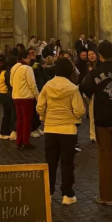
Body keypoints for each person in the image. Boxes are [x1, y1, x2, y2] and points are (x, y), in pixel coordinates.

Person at [81, 40, 112, 205]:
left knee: (105, 158)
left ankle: (107, 196)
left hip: (102, 119)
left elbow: (85, 90)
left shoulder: (94, 73)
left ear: (100, 55)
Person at [37, 58, 86, 205]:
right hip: (68, 130)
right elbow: (79, 110)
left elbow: (40, 106)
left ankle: (48, 193)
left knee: (50, 163)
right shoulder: (72, 88)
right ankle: (67, 194)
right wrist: (75, 117)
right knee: (67, 163)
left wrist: (46, 117)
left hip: (51, 129)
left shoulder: (47, 86)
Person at [10, 50, 39, 149]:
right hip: (26, 97)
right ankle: (26, 141)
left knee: (19, 120)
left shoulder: (14, 67)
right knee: (27, 120)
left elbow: (11, 83)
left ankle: (19, 141)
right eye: (28, 57)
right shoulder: (27, 68)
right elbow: (32, 84)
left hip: (16, 96)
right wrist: (37, 95)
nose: (30, 59)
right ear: (24, 58)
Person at [27, 47, 46, 138]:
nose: (32, 54)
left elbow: (44, 74)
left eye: (33, 52)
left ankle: (37, 126)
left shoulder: (39, 62)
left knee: (40, 110)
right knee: (33, 111)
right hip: (33, 91)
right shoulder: (28, 65)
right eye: (30, 53)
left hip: (41, 88)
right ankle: (32, 128)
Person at [0, 56, 17, 139]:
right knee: (7, 114)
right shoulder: (7, 72)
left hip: (2, 94)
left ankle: (4, 132)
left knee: (7, 114)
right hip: (5, 94)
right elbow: (9, 84)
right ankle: (4, 132)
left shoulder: (3, 71)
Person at [86, 49, 100, 143]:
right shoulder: (88, 66)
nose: (91, 56)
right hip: (91, 93)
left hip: (99, 92)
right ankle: (92, 134)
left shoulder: (100, 65)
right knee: (91, 114)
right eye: (89, 55)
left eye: (92, 54)